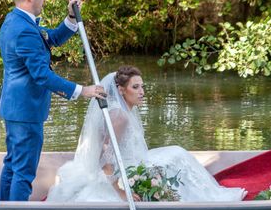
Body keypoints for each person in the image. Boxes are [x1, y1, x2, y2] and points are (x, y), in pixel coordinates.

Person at [46, 65, 246, 202]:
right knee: (175, 158)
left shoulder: (126, 110)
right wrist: (120, 190)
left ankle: (202, 197)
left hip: (132, 162)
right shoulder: (119, 117)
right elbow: (105, 155)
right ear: (121, 89)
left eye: (142, 86)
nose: (142, 91)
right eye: (135, 87)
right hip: (119, 173)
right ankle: (202, 200)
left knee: (175, 153)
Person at [0, 0, 106, 201]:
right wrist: (82, 90)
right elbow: (41, 75)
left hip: (15, 109)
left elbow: (52, 38)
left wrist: (70, 17)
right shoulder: (24, 29)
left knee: (12, 165)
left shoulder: (15, 21)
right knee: (23, 171)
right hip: (26, 111)